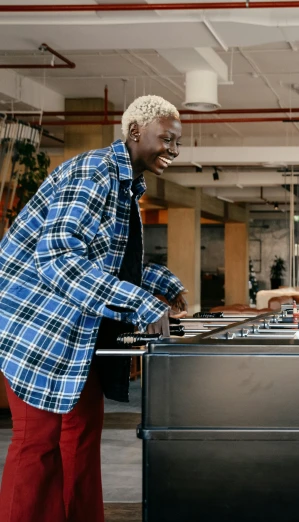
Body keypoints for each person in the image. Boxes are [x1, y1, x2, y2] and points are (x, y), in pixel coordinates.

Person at [0, 95, 188, 522]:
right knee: (37, 442)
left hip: (76, 327)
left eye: (177, 143)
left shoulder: (124, 184)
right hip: (35, 324)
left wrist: (160, 284)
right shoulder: (93, 171)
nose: (173, 151)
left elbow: (107, 259)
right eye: (167, 139)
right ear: (136, 132)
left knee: (81, 433)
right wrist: (140, 303)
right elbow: (60, 258)